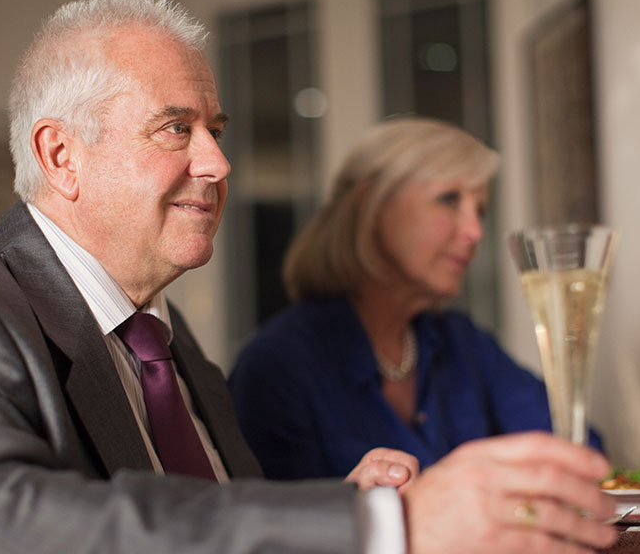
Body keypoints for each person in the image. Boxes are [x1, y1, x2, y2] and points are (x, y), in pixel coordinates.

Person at [0, 0, 617, 554]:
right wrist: (375, 524)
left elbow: (223, 525)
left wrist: (340, 511)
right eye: (177, 128)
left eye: (216, 130)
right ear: (61, 156)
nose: (217, 162)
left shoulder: (167, 341)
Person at [229, 117, 602, 480]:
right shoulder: (278, 366)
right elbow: (274, 517)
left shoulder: (463, 342)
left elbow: (581, 450)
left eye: (480, 211)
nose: (475, 232)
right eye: (449, 199)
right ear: (371, 207)